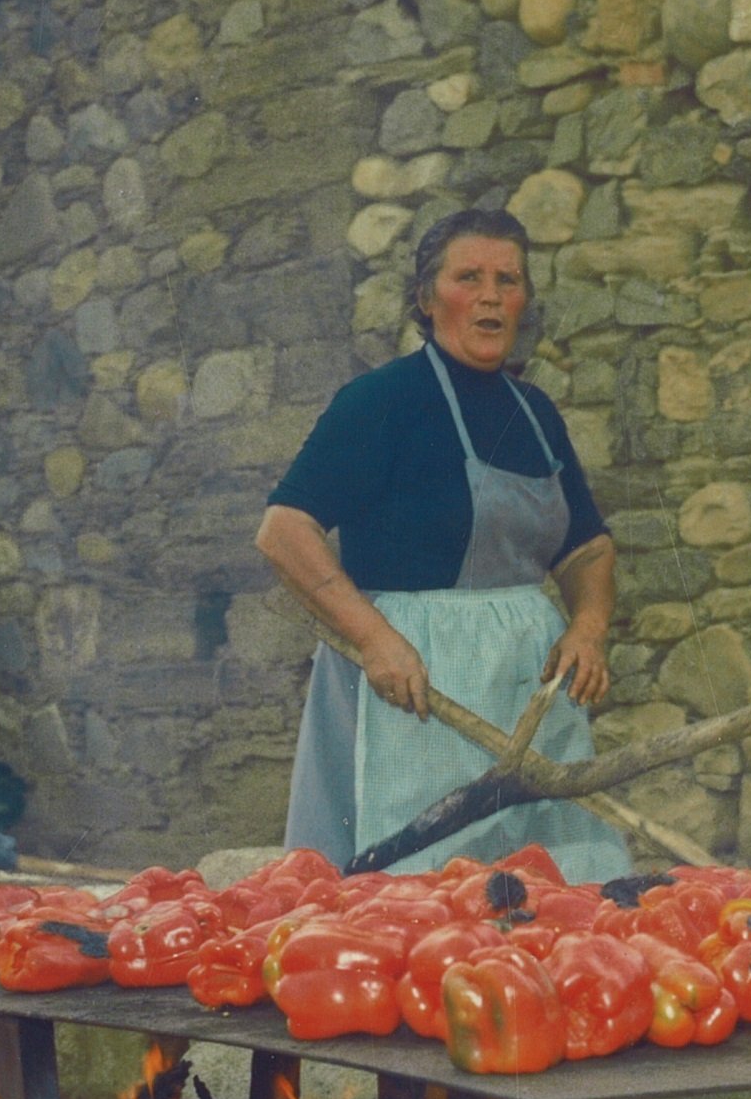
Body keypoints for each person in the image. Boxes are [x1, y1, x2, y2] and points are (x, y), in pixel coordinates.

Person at [257, 208, 631, 883]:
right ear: (428, 299)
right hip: (417, 687)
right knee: (420, 885)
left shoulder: (534, 413)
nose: (491, 295)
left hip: (528, 687)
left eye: (508, 280)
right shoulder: (381, 402)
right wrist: (374, 639)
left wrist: (589, 626)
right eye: (469, 277)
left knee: (553, 883)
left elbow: (586, 548)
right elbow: (285, 529)